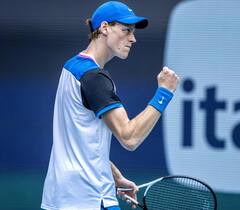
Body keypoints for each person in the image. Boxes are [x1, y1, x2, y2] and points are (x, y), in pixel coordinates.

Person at [41, 1, 179, 210]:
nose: (133, 38)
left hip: (58, 199)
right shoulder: (94, 77)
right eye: (126, 30)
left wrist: (114, 176)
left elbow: (82, 143)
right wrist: (164, 93)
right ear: (104, 28)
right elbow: (129, 137)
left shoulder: (71, 66)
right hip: (91, 200)